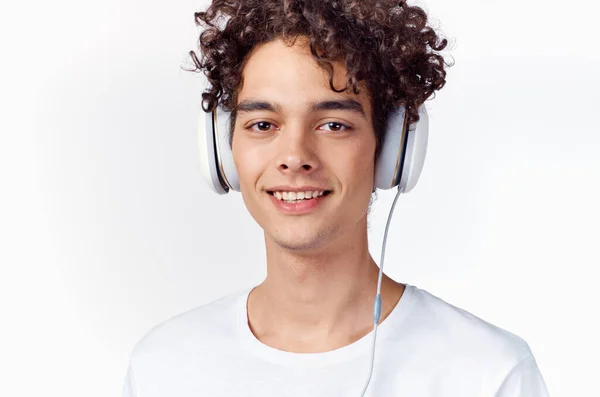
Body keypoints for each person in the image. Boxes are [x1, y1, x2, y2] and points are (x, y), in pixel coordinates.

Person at [122, 0, 550, 396]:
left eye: (333, 125)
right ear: (224, 151)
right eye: (263, 124)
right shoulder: (164, 368)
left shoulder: (489, 373)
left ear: (391, 152)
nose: (295, 157)